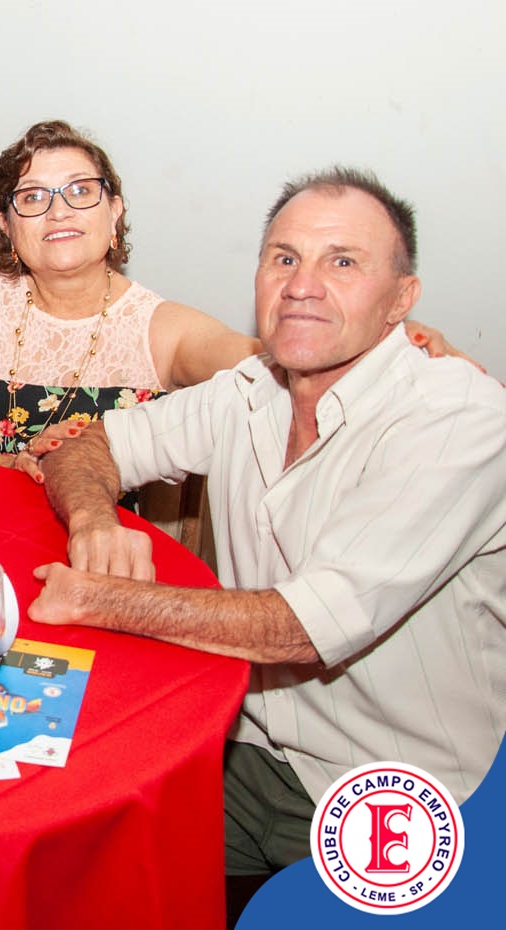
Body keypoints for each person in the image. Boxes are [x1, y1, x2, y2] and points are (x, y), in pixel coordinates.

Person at [27, 167, 506, 883]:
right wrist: (95, 517)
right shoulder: (248, 390)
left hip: (397, 794)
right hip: (241, 746)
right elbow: (88, 447)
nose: (302, 285)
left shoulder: (456, 418)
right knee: (68, 853)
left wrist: (101, 598)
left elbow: (300, 628)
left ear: (401, 299)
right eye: (284, 258)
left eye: (342, 262)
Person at [0, 120, 465, 481]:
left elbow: (272, 357)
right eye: (32, 197)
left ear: (115, 212)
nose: (59, 210)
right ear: (6, 226)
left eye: (81, 190)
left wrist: (386, 341)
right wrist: (10, 466)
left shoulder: (161, 327)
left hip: (111, 552)